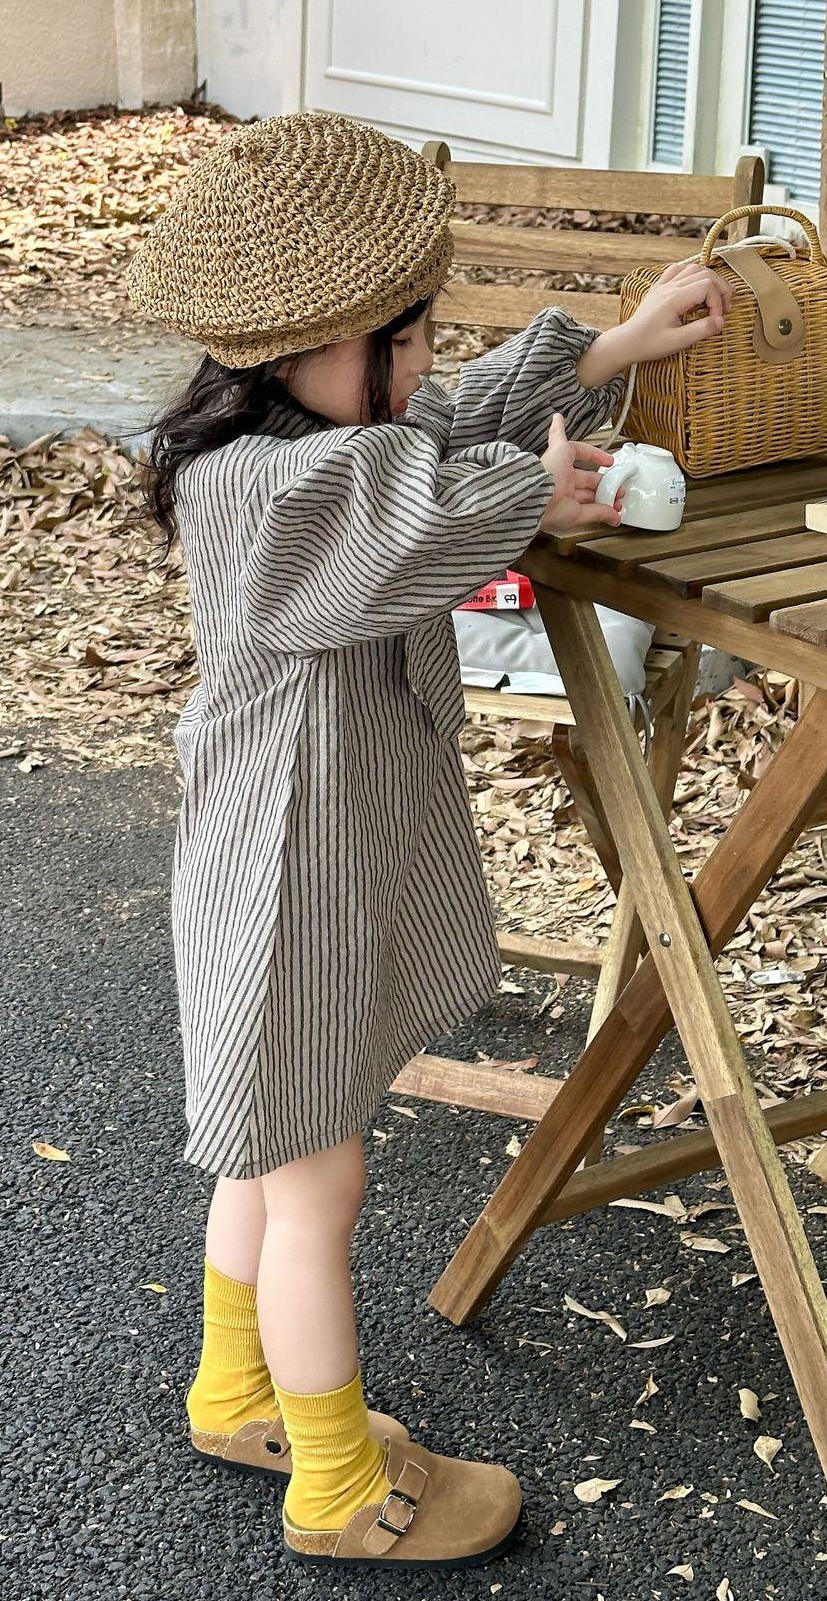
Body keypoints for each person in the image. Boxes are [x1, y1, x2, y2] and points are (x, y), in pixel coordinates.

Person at [126, 110, 728, 1568]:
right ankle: (338, 1488)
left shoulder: (305, 428)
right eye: (404, 339)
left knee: (269, 1147)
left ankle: (235, 1393)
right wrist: (537, 491)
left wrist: (613, 346)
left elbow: (435, 433)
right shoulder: (273, 486)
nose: (421, 365)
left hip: (296, 854)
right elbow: (408, 523)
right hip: (287, 873)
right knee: (315, 1180)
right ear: (316, 341)